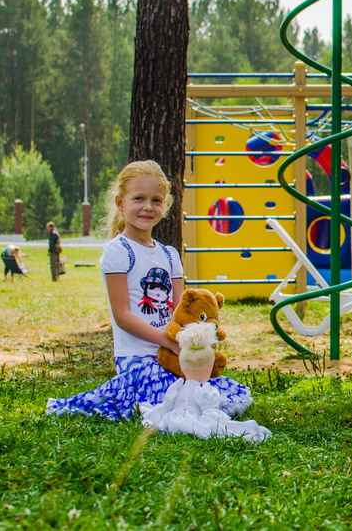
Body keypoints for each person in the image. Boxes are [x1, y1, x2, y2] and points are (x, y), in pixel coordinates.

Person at [47, 160, 252, 421]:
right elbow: (122, 316)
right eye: (139, 198)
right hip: (138, 358)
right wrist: (170, 343)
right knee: (169, 398)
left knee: (208, 393)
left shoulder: (169, 254)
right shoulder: (118, 251)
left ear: (164, 206)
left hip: (173, 353)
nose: (147, 207)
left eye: (156, 200)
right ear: (120, 203)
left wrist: (196, 343)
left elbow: (182, 312)